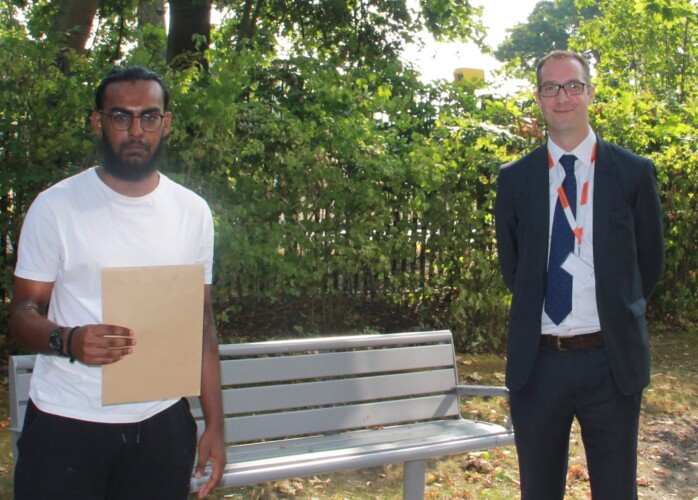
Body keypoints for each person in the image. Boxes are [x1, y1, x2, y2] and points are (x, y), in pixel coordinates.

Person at [10, 66, 226, 499]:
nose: (136, 130)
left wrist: (216, 426)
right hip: (67, 421)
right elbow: (21, 314)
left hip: (162, 424)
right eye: (120, 116)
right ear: (98, 122)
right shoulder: (55, 207)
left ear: (166, 123)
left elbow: (201, 324)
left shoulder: (193, 212)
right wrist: (68, 340)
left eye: (149, 117)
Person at [495, 50, 664, 499]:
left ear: (589, 93)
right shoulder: (515, 179)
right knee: (539, 491)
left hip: (611, 362)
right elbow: (515, 268)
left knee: (615, 490)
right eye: (550, 88)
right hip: (539, 365)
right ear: (539, 98)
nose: (562, 97)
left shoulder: (633, 173)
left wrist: (617, 311)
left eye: (572, 85)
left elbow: (649, 262)